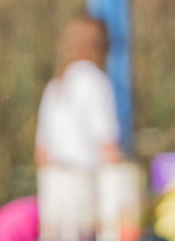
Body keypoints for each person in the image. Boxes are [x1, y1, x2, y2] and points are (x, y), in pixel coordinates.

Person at [35, 14, 123, 169]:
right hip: (88, 184)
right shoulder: (97, 82)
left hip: (54, 183)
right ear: (100, 45)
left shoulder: (55, 85)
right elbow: (108, 146)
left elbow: (42, 153)